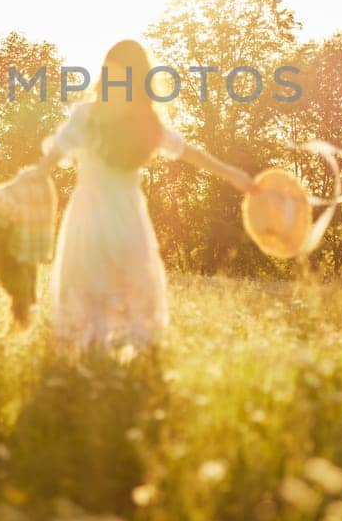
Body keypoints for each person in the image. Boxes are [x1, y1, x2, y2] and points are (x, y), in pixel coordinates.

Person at [23, 39, 255, 350]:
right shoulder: (86, 115)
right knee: (87, 289)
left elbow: (190, 153)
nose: (114, 82)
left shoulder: (145, 124)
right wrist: (30, 179)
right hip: (89, 218)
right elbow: (53, 156)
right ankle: (88, 363)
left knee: (133, 288)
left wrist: (233, 174)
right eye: (109, 74)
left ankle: (127, 365)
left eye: (122, 77)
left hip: (127, 217)